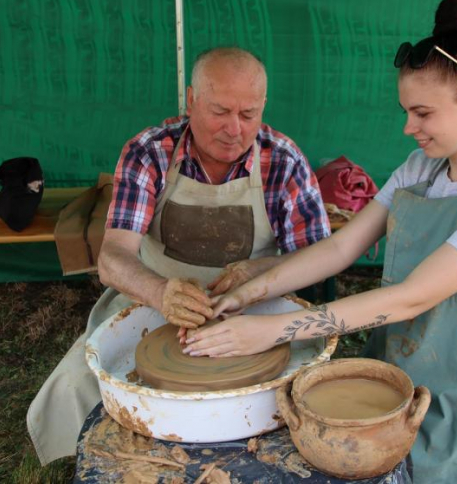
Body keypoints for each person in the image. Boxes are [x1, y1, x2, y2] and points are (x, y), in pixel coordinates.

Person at [186, 0, 457, 483]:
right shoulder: (421, 167)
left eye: (423, 113)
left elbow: (412, 297)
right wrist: (250, 292)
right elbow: (342, 248)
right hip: (420, 359)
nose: (409, 127)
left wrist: (274, 330)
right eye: (407, 111)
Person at [27, 47, 331, 465]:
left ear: (263, 107)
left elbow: (319, 256)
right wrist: (160, 293)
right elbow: (112, 258)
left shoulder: (283, 159)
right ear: (191, 101)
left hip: (252, 306)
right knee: (78, 383)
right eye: (220, 111)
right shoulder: (149, 151)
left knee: (295, 396)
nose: (233, 129)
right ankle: (95, 464)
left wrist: (259, 271)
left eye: (248, 115)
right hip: (152, 301)